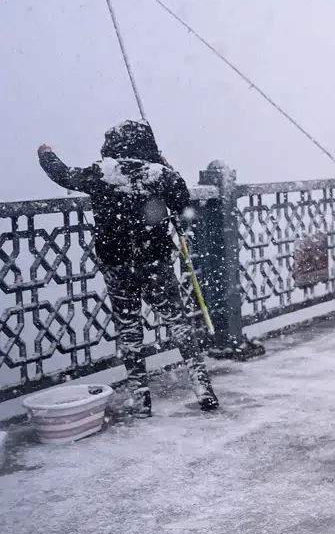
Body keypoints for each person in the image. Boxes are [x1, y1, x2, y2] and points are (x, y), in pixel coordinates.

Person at [37, 121, 219, 416]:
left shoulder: (101, 173)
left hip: (116, 264)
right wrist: (167, 168)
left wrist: (46, 154)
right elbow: (185, 209)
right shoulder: (161, 174)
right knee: (178, 323)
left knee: (129, 329)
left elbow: (64, 175)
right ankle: (203, 389)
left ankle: (141, 399)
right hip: (155, 262)